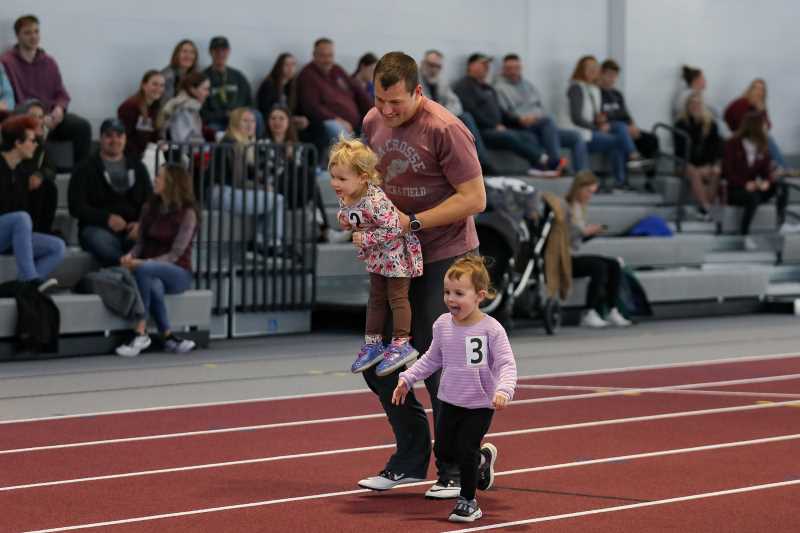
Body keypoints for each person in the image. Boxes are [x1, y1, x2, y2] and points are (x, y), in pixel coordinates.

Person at [357, 51, 486, 500]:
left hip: (443, 254)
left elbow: (474, 198)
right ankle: (410, 461)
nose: (387, 111)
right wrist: (360, 219)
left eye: (396, 102)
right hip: (394, 255)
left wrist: (413, 223)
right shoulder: (372, 121)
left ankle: (456, 464)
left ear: (418, 91)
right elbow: (366, 182)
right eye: (380, 100)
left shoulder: (445, 129)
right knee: (378, 362)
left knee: (435, 359)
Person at [392, 255, 516, 522]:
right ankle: (483, 461)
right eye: (447, 292)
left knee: (466, 449)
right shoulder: (442, 325)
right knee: (446, 451)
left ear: (479, 296)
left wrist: (504, 390)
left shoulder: (491, 330)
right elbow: (432, 358)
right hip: (450, 400)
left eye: (459, 293)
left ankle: (468, 501)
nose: (451, 299)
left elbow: (507, 364)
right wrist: (408, 377)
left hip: (480, 403)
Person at [329, 137, 423, 374]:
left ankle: (401, 343)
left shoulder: (375, 200)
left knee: (398, 297)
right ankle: (373, 343)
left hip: (396, 253)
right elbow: (349, 218)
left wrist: (366, 238)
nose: (335, 183)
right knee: (376, 298)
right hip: (378, 256)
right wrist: (346, 220)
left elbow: (395, 227)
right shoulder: (348, 195)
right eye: (333, 177)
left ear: (362, 177)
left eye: (341, 178)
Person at [116, 163, 199, 357]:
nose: (155, 180)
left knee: (145, 270)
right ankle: (168, 337)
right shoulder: (149, 208)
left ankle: (141, 330)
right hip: (151, 270)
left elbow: (175, 254)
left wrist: (144, 263)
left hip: (178, 271)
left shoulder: (188, 213)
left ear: (172, 183)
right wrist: (131, 256)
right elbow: (140, 243)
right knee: (153, 285)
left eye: (159, 177)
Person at [1, 15, 91, 166]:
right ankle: (40, 174)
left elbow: (61, 93)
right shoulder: (7, 62)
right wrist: (38, 119)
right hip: (25, 119)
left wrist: (59, 109)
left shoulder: (49, 62)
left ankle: (80, 173)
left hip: (51, 117)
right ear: (18, 36)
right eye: (28, 32)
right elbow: (9, 99)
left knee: (82, 127)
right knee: (30, 133)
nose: (34, 36)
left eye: (36, 31)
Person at [453, 53, 560, 176]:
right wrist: (494, 125)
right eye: (483, 64)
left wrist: (518, 120)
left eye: (488, 65)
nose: (487, 67)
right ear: (471, 66)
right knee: (508, 136)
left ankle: (537, 167)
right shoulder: (463, 86)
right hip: (483, 132)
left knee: (528, 135)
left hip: (497, 128)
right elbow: (471, 112)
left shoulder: (487, 87)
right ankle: (545, 160)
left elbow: (501, 112)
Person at [68, 118, 152, 267]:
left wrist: (141, 223)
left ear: (125, 139)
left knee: (151, 237)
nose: (114, 140)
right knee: (99, 241)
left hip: (131, 230)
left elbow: (151, 202)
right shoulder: (84, 168)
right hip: (97, 228)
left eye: (119, 136)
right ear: (100, 138)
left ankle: (127, 266)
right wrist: (106, 218)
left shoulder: (138, 167)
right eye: (109, 136)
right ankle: (125, 264)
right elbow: (76, 207)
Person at [494, 53, 587, 174]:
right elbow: (504, 114)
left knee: (575, 136)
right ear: (503, 70)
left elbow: (541, 107)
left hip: (541, 125)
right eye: (509, 69)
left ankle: (582, 176)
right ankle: (554, 163)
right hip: (522, 125)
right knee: (548, 122)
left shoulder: (528, 85)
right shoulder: (499, 88)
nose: (513, 72)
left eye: (516, 68)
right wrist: (521, 119)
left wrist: (538, 116)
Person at [0, 115, 64, 285]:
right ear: (17, 143)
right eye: (32, 140)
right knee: (21, 218)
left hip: (8, 235)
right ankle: (31, 281)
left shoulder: (21, 172)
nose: (36, 144)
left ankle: (22, 287)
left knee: (57, 246)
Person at [211, 107, 285, 251]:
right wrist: (261, 187)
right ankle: (272, 243)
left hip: (228, 192)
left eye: (252, 121)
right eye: (245, 121)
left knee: (267, 197)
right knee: (277, 200)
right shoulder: (232, 143)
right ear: (235, 123)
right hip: (221, 193)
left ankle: (259, 240)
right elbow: (238, 181)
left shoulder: (246, 145)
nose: (250, 124)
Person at [566, 171, 632, 328]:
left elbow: (577, 240)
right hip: (564, 257)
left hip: (573, 252)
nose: (590, 196)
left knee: (614, 263)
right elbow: (561, 237)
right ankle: (589, 311)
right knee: (598, 266)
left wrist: (590, 233)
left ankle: (612, 309)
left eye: (593, 192)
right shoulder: (566, 207)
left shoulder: (580, 208)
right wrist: (584, 231)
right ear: (579, 188)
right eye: (588, 191)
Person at [566, 55, 644, 188]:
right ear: (581, 70)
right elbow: (576, 118)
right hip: (576, 133)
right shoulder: (576, 87)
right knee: (619, 138)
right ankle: (632, 157)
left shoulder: (593, 89)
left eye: (595, 68)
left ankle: (620, 181)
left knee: (618, 138)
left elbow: (594, 116)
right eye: (589, 68)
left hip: (589, 132)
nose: (593, 71)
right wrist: (597, 127)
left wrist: (599, 120)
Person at [418, 50, 494, 176]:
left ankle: (479, 162)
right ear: (422, 64)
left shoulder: (441, 81)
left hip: (442, 119)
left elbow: (456, 103)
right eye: (431, 65)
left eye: (438, 66)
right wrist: (442, 115)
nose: (434, 69)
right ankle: (480, 164)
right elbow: (422, 104)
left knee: (465, 117)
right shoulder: (414, 80)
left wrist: (446, 115)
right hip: (424, 121)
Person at [295, 38, 372, 152]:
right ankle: (353, 158)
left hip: (354, 124)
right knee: (335, 128)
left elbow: (357, 90)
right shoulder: (307, 75)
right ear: (314, 55)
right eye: (323, 56)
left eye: (330, 55)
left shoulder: (337, 70)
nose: (327, 60)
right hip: (328, 125)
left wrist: (376, 111)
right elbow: (312, 107)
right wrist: (337, 119)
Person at [722, 112, 778, 246]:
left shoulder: (763, 147)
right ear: (755, 127)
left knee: (781, 188)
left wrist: (766, 182)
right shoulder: (732, 144)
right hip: (735, 189)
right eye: (764, 125)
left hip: (753, 188)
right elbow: (727, 173)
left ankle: (780, 224)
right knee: (752, 197)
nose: (767, 128)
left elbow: (766, 172)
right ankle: (744, 234)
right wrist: (745, 184)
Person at [598, 59, 659, 182]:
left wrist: (633, 127)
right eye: (609, 75)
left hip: (625, 129)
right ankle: (633, 159)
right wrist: (624, 127)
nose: (612, 79)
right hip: (611, 130)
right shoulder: (597, 93)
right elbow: (600, 117)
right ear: (601, 74)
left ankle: (650, 181)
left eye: (615, 76)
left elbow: (626, 115)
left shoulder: (617, 94)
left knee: (652, 139)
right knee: (621, 135)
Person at [674, 91, 723, 221]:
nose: (695, 106)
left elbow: (715, 149)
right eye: (692, 103)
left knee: (716, 172)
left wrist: (711, 165)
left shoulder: (711, 125)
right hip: (683, 163)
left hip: (704, 164)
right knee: (694, 172)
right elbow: (681, 151)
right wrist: (699, 167)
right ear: (687, 106)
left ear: (702, 106)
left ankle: (704, 209)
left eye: (698, 103)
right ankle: (707, 207)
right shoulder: (680, 124)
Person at [13, 99, 58, 235]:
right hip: (13, 187)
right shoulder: (12, 140)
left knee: (48, 187)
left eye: (41, 117)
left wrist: (40, 175)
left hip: (32, 187)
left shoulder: (40, 143)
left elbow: (51, 168)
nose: (38, 121)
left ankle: (41, 232)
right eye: (33, 117)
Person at [724, 79, 789, 173]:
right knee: (766, 138)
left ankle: (776, 168)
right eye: (756, 88)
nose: (759, 92)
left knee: (765, 137)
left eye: (762, 90)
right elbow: (735, 120)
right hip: (740, 135)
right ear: (750, 90)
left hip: (752, 135)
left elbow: (767, 126)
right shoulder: (742, 103)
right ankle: (783, 168)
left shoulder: (760, 106)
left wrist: (761, 112)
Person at [201, 36, 262, 136]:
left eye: (223, 50)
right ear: (210, 52)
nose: (220, 54)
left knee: (257, 116)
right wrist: (224, 115)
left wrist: (239, 114)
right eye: (216, 50)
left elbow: (249, 103)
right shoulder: (203, 77)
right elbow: (202, 111)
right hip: (217, 122)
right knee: (213, 130)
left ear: (228, 52)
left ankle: (257, 148)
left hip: (240, 120)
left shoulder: (238, 76)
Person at [256, 53, 309, 133]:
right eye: (287, 65)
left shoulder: (294, 86)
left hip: (288, 121)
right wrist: (287, 118)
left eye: (293, 65)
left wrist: (300, 118)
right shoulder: (269, 85)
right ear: (279, 66)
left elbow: (298, 108)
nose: (290, 68)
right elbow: (265, 109)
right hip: (273, 120)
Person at [118, 70, 165, 160]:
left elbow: (154, 135)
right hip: (133, 156)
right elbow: (125, 137)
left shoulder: (156, 107)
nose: (159, 88)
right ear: (144, 85)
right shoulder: (129, 107)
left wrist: (160, 142)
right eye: (155, 84)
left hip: (148, 153)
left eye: (162, 85)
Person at [159, 72, 211, 143]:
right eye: (205, 89)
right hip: (184, 152)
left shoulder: (192, 107)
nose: (208, 93)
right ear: (192, 89)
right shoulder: (182, 109)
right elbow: (182, 141)